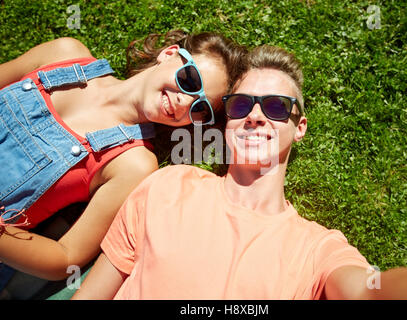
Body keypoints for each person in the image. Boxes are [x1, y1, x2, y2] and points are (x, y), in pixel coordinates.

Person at [72, 45, 407, 300]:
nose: (254, 116)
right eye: (240, 106)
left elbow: (370, 291)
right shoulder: (168, 186)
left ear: (299, 127)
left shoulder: (318, 248)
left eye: (274, 106)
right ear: (226, 123)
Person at [0, 30, 247, 293]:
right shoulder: (64, 54)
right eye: (189, 79)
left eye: (200, 108)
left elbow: (66, 256)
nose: (184, 102)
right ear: (170, 54)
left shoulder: (133, 163)